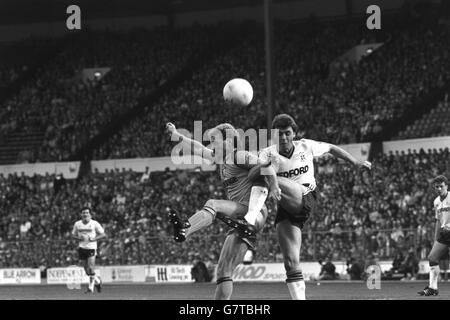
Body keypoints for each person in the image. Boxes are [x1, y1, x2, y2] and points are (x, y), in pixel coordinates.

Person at [242, 114, 371, 299]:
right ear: (273, 135)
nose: (284, 138)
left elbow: (331, 148)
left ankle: (251, 216)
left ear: (294, 133)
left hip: (305, 197)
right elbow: (251, 176)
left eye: (287, 133)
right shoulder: (267, 153)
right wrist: (265, 164)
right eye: (280, 134)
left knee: (270, 175)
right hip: (285, 206)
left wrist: (356, 163)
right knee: (290, 262)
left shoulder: (306, 145)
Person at [165, 122, 280, 300]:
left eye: (214, 140)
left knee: (213, 204)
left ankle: (185, 229)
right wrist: (175, 134)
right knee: (223, 271)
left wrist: (274, 187)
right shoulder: (221, 160)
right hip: (240, 220)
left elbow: (267, 165)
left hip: (252, 213)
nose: (211, 144)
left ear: (228, 141)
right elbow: (197, 147)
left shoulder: (239, 156)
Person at [418, 175, 450, 296]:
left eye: (441, 186)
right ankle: (433, 288)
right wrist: (435, 238)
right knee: (432, 257)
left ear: (446, 186)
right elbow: (438, 221)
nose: (439, 189)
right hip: (444, 233)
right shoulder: (436, 202)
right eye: (436, 187)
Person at [71, 207, 106, 294]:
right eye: (84, 212)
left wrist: (94, 239)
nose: (85, 214)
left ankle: (90, 288)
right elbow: (72, 235)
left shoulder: (94, 223)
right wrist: (78, 238)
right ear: (81, 214)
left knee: (91, 268)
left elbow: (103, 235)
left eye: (87, 212)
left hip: (91, 248)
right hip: (82, 248)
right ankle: (98, 281)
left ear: (90, 214)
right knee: (87, 271)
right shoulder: (77, 224)